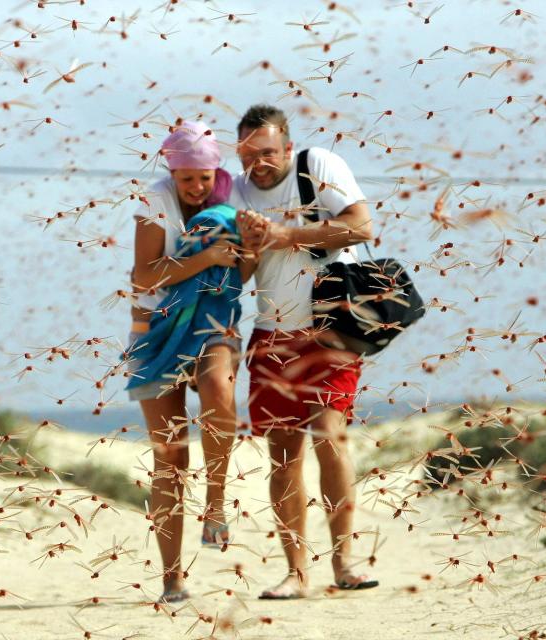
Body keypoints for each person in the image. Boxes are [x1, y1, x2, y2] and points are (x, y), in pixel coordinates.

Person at [230, 104, 377, 600]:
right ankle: (296, 572)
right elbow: (241, 277)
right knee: (282, 454)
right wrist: (251, 246)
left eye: (268, 153)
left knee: (330, 436)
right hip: (272, 330)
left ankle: (344, 562)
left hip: (330, 326)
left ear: (287, 148)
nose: (259, 163)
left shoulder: (318, 166)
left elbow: (360, 226)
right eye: (249, 154)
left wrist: (287, 235)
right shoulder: (234, 192)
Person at [127, 121, 254, 603]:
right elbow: (144, 274)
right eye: (188, 179)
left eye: (205, 176)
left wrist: (251, 247)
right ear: (171, 172)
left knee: (221, 393)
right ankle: (172, 576)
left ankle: (216, 505)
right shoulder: (153, 201)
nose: (198, 187)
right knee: (170, 456)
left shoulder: (233, 198)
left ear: (215, 169)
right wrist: (205, 258)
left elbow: (242, 268)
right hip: (155, 328)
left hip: (216, 321)